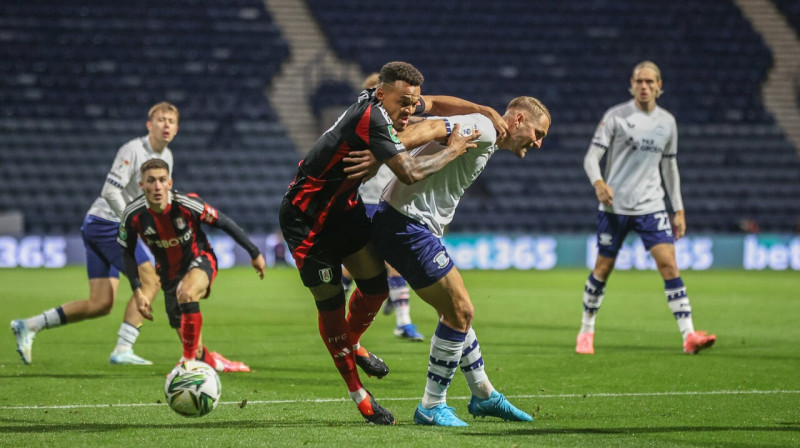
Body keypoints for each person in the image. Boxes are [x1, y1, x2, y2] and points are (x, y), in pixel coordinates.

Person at [279, 60, 507, 425]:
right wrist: (454, 149)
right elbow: (412, 172)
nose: (409, 110)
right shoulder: (374, 118)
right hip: (305, 220)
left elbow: (431, 104)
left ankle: (351, 344)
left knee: (375, 289)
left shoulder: (379, 99)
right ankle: (360, 396)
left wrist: (480, 109)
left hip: (345, 210)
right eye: (403, 103)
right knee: (332, 306)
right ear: (382, 94)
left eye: (411, 102)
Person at [371, 96, 550, 426]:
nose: (538, 143)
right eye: (538, 133)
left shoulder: (486, 129)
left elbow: (435, 104)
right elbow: (433, 125)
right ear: (520, 120)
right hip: (405, 224)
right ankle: (431, 405)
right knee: (461, 310)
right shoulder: (482, 129)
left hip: (408, 223)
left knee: (455, 312)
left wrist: (480, 109)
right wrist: (382, 150)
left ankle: (483, 393)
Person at [11, 102, 177, 366]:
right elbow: (110, 191)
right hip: (106, 223)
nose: (166, 125)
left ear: (177, 128)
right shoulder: (132, 150)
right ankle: (123, 349)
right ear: (149, 125)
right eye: (161, 120)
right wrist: (132, 223)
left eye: (171, 121)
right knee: (152, 279)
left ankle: (29, 325)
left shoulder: (166, 158)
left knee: (100, 303)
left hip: (100, 224)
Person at [575, 61, 716, 355]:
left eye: (650, 82)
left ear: (659, 86)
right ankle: (586, 330)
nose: (644, 86)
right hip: (615, 207)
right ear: (631, 84)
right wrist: (598, 183)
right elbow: (591, 158)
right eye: (639, 81)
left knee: (669, 265)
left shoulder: (668, 122)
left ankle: (689, 335)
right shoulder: (616, 116)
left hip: (652, 206)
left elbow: (670, 166)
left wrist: (678, 209)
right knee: (603, 269)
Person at [118, 159, 266, 370]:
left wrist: (254, 252)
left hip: (200, 260)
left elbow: (223, 222)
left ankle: (186, 361)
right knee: (195, 348)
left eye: (162, 180)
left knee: (186, 293)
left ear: (170, 183)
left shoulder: (186, 204)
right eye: (151, 181)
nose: (157, 186)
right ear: (142, 185)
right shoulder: (133, 215)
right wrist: (138, 291)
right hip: (168, 274)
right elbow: (127, 251)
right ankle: (213, 361)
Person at [343, 72, 424, 342]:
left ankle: (403, 322)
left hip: (388, 202)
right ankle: (337, 314)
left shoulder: (401, 125)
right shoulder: (365, 123)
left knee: (393, 263)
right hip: (364, 200)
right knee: (357, 265)